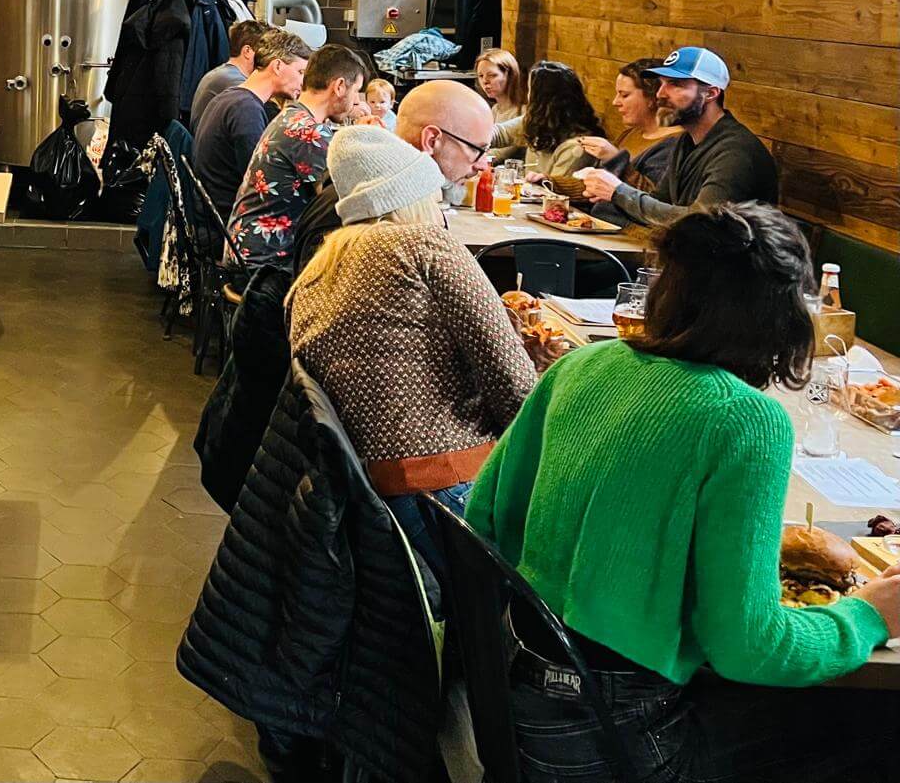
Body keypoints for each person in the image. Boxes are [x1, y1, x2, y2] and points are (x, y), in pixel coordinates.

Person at [465, 202, 900, 782]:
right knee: (883, 727)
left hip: (516, 695)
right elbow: (751, 649)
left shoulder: (583, 364)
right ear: (786, 317)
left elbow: (485, 516)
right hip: (614, 743)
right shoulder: (745, 419)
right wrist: (870, 616)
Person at [289, 125, 535, 570]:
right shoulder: (425, 244)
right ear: (414, 197)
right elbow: (516, 387)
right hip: (448, 491)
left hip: (369, 497)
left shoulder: (318, 270)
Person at [292, 78, 498, 273]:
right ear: (431, 140)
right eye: (477, 149)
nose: (482, 165)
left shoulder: (397, 197)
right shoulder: (369, 213)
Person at [578, 47, 779, 226]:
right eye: (661, 83)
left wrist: (619, 192)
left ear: (710, 93)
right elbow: (659, 203)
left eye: (675, 84)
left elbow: (701, 222)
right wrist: (611, 195)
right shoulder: (687, 141)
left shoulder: (736, 152)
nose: (660, 94)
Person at [225, 43, 365, 271]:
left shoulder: (292, 116)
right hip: (265, 266)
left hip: (249, 251)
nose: (356, 100)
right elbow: (353, 195)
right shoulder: (307, 133)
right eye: (356, 90)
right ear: (339, 86)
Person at [192, 29, 311, 223]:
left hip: (212, 215)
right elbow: (261, 179)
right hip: (230, 223)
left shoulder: (231, 97)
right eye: (300, 72)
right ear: (278, 66)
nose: (303, 82)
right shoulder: (246, 109)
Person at [487, 60, 605, 189]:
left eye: (530, 91)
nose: (528, 97)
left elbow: (555, 193)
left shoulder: (576, 147)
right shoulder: (539, 122)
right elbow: (500, 133)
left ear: (542, 100)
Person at [576, 57, 682, 193]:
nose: (615, 102)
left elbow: (651, 197)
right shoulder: (630, 133)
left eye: (624, 95)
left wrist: (615, 159)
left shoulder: (673, 144)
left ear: (652, 98)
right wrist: (551, 183)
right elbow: (595, 186)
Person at [188, 19, 268, 131]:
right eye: (265, 51)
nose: (268, 58)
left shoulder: (223, 74)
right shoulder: (237, 84)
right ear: (247, 51)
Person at [476, 48, 527, 161]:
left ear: (510, 76)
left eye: (492, 75)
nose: (485, 81)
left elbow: (502, 153)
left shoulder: (523, 111)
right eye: (481, 76)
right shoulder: (495, 109)